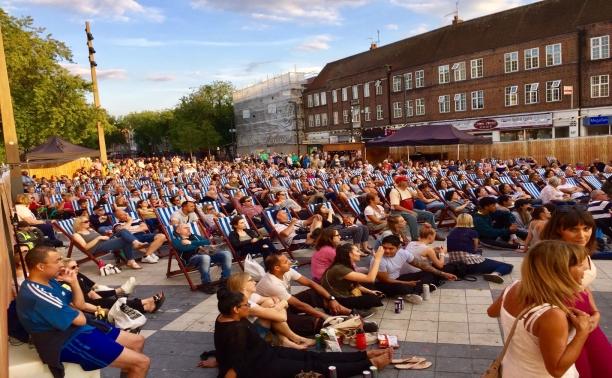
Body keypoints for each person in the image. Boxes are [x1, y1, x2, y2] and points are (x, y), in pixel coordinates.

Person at [16, 246, 150, 377]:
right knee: (142, 363)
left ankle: (131, 370)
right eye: (57, 261)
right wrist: (74, 310)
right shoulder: (38, 293)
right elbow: (80, 320)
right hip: (62, 341)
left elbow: (79, 304)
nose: (62, 265)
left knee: (138, 341)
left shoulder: (49, 281)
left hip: (74, 329)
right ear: (41, 267)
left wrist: (74, 282)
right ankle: (133, 368)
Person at [214, 289, 391, 378]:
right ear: (236, 309)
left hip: (269, 353)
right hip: (261, 367)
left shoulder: (225, 318)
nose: (249, 307)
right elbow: (234, 363)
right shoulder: (234, 330)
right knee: (314, 368)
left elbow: (225, 349)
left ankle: (364, 355)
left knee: (313, 357)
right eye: (246, 305)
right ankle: (368, 363)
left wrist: (216, 357)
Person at [486, 241, 591, 378]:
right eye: (579, 265)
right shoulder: (551, 315)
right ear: (560, 270)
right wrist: (582, 332)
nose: (585, 270)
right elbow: (556, 370)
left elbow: (491, 312)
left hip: (511, 370)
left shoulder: (515, 287)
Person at [541, 207, 612, 377]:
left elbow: (584, 285)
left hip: (584, 316)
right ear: (559, 229)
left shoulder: (582, 251)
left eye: (586, 228)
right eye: (574, 229)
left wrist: (594, 311)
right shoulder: (552, 257)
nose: (582, 235)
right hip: (565, 318)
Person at [256, 254, 352, 336]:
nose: (290, 262)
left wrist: (331, 299)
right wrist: (324, 316)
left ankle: (346, 311)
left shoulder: (287, 270)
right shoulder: (272, 284)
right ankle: (334, 322)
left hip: (285, 304)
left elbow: (311, 283)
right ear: (277, 268)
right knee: (311, 322)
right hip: (273, 314)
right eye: (286, 262)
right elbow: (298, 305)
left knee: (314, 293)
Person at [227, 272, 314, 349]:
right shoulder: (246, 304)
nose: (255, 282)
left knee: (269, 303)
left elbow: (269, 299)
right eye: (251, 280)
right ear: (243, 286)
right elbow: (282, 317)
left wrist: (275, 304)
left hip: (254, 329)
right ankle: (295, 338)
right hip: (253, 337)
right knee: (273, 313)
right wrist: (283, 303)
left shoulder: (250, 296)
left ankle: (285, 341)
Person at [59, 258, 164, 314]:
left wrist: (104, 299)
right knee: (111, 301)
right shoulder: (64, 282)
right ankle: (144, 303)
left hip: (90, 297)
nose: (77, 268)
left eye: (78, 265)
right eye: (73, 267)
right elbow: (84, 300)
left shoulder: (77, 275)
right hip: (85, 304)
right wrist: (103, 304)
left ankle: (143, 305)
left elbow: (92, 290)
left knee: (105, 298)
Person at [373, 235, 457, 301]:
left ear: (398, 247)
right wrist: (406, 283)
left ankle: (415, 291)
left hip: (398, 278)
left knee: (428, 272)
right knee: (401, 287)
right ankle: (418, 289)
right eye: (384, 248)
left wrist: (443, 273)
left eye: (391, 248)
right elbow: (385, 280)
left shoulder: (403, 253)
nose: (387, 251)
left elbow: (421, 265)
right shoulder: (378, 258)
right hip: (383, 284)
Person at [446, 214, 513, 284]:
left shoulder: (451, 233)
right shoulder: (472, 232)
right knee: (507, 266)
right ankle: (495, 274)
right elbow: (475, 249)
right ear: (470, 221)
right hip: (470, 263)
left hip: (455, 264)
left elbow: (449, 249)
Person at [321, 243, 385, 313]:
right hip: (336, 300)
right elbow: (370, 279)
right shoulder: (339, 268)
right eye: (357, 251)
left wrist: (370, 291)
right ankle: (353, 311)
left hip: (345, 293)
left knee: (372, 289)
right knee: (374, 299)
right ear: (350, 254)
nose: (360, 253)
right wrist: (377, 259)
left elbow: (355, 285)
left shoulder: (345, 265)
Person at [172, 223, 233, 294]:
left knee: (226, 254)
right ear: (178, 231)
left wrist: (190, 242)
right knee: (205, 257)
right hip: (191, 260)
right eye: (185, 228)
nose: (188, 229)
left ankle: (225, 280)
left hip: (206, 255)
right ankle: (206, 284)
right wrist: (198, 246)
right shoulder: (176, 240)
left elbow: (207, 241)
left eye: (188, 227)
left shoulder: (195, 236)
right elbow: (183, 248)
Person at [72, 216, 147, 270]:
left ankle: (135, 243)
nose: (88, 222)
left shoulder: (90, 229)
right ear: (79, 224)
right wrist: (99, 238)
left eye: (88, 221)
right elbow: (85, 247)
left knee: (123, 231)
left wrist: (107, 235)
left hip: (105, 242)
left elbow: (101, 237)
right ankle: (131, 260)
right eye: (86, 222)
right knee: (124, 240)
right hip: (97, 248)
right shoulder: (76, 235)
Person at [388, 175, 442, 241]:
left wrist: (416, 188)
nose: (408, 182)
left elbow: (421, 197)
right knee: (412, 217)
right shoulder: (394, 191)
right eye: (405, 180)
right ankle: (415, 238)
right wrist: (410, 211)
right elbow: (396, 206)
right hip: (398, 211)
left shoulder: (408, 189)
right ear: (400, 182)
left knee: (429, 214)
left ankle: (433, 234)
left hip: (409, 210)